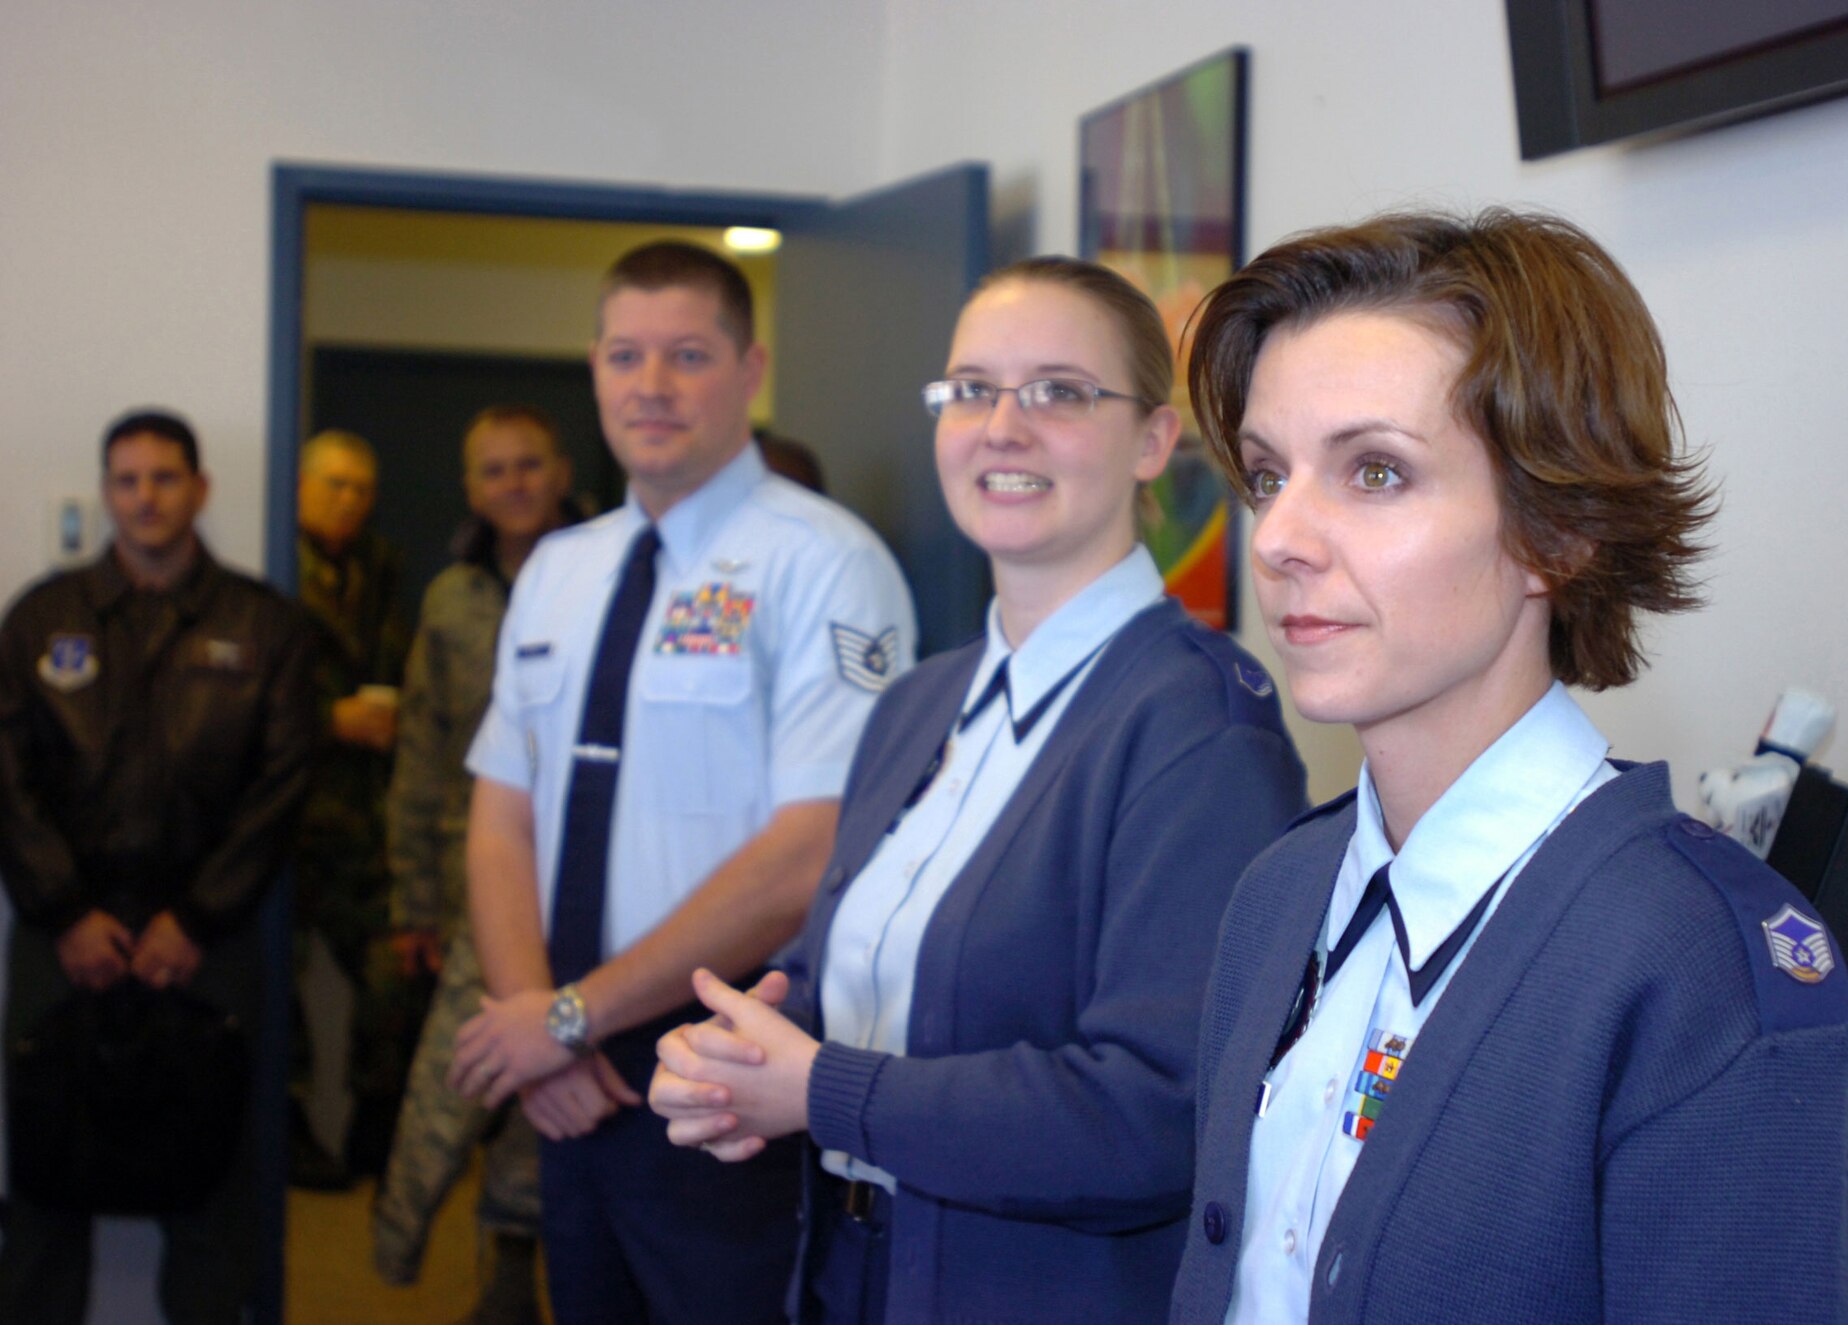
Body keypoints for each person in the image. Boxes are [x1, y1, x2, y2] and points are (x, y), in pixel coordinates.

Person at [1166, 210, 1848, 1324]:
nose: (1277, 538)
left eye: (1372, 471)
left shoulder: (1699, 969)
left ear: (1558, 529)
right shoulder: (1277, 897)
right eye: (1267, 474)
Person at [649, 257, 1309, 1324]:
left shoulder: (1196, 727)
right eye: (970, 389)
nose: (1002, 425)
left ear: (1150, 438)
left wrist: (817, 1087)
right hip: (854, 1272)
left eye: (1057, 390)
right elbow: (849, 976)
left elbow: (1155, 1112)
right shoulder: (917, 703)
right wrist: (746, 1042)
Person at [447, 239, 917, 1324]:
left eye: (687, 355)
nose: (650, 385)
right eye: (624, 355)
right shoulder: (558, 569)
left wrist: (567, 1015)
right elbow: (500, 813)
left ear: (750, 371)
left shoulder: (825, 563)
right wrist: (537, 1027)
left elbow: (813, 850)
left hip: (725, 1078)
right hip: (566, 1083)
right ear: (594, 368)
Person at [0, 409, 315, 1324]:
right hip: (61, 938)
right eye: (127, 480)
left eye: (165, 478)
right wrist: (63, 911)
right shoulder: (42, 617)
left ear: (201, 489)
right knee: (47, 1183)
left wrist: (196, 918)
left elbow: (283, 785)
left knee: (212, 1184)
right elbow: (6, 774)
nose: (146, 497)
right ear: (106, 493)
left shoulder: (265, 624)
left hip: (209, 939)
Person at [373, 405, 580, 1324]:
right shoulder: (451, 599)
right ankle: (403, 1250)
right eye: (493, 470)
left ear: (561, 468)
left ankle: (515, 1262)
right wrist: (413, 896)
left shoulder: (612, 570)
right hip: (474, 878)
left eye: (529, 465)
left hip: (582, 880)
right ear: (471, 488)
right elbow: (420, 745)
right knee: (456, 1086)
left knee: (556, 1069)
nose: (515, 484)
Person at [293, 426, 420, 1184]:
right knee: (281, 989)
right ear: (302, 485)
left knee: (393, 976)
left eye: (362, 488)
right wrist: (327, 721)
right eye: (335, 483)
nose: (350, 500)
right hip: (290, 813)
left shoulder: (380, 569)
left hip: (369, 813)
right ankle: (292, 1125)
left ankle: (379, 1120)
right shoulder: (272, 560)